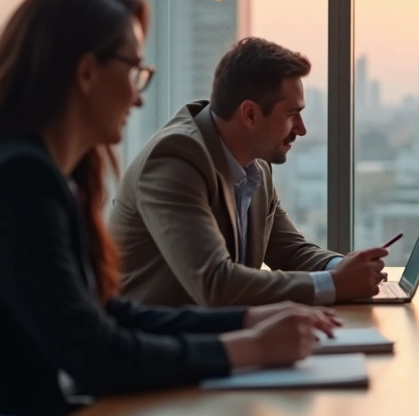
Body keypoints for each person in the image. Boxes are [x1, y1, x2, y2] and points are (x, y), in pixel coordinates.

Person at [0, 0, 336, 416]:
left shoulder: (44, 175)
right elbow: (94, 353)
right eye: (134, 70)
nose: (138, 96)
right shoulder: (17, 182)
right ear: (86, 72)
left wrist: (247, 319)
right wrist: (249, 347)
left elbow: (107, 311)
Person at [110, 37, 388, 307]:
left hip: (217, 337)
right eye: (292, 114)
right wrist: (335, 284)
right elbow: (215, 283)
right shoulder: (175, 159)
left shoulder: (255, 162)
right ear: (250, 114)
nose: (302, 129)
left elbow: (290, 251)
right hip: (155, 345)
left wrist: (345, 268)